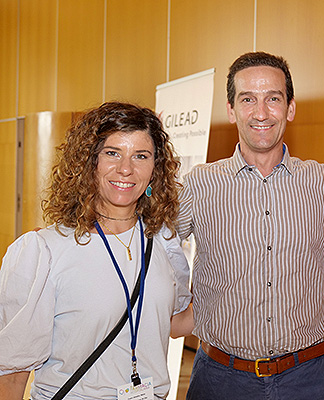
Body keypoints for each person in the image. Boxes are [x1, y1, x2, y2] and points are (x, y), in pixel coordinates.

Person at [176, 51, 324, 399]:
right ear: (230, 109)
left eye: (273, 99)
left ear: (290, 108)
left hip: (307, 379)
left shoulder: (320, 182)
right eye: (247, 99)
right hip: (221, 380)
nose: (261, 113)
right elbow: (148, 249)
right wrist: (175, 308)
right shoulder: (198, 185)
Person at [0, 102, 192, 399]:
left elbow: (176, 323)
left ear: (155, 169)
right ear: (90, 163)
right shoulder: (45, 252)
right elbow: (12, 377)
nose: (126, 169)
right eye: (112, 153)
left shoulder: (162, 240)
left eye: (141, 156)